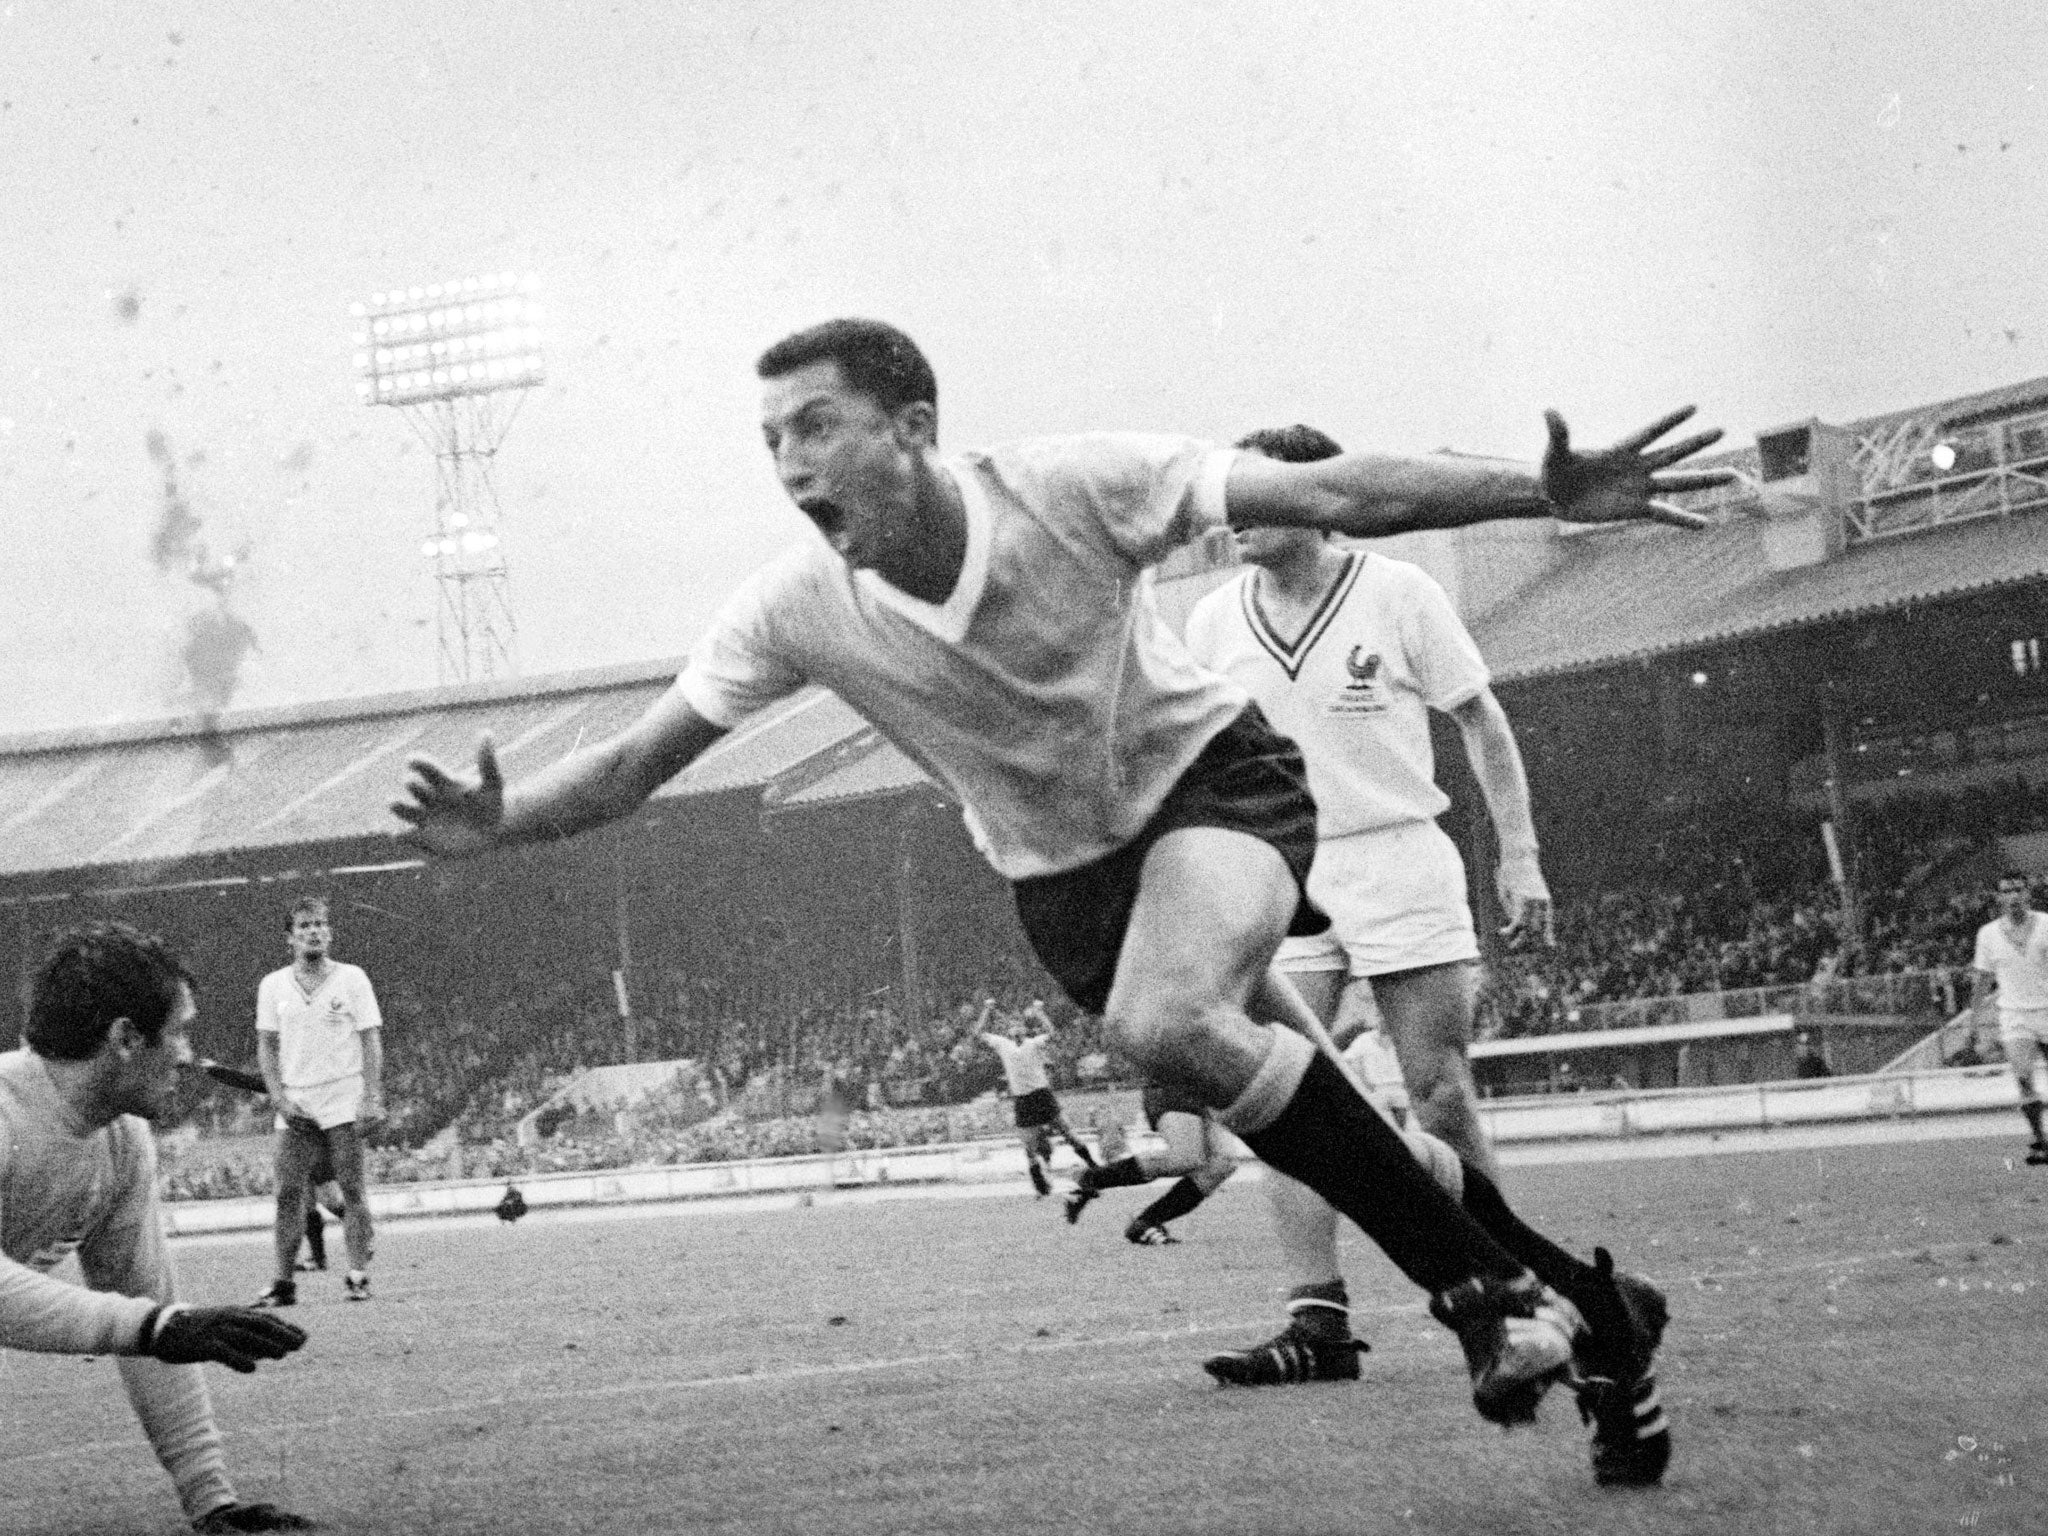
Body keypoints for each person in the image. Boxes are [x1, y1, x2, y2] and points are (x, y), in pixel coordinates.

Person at [393, 318, 1718, 1472]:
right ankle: (1599, 1312)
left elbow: (1335, 488)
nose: (791, 462)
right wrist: (499, 822)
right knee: (1346, 1126)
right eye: (770, 442)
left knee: (1168, 1021)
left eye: (817, 425)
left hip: (1215, 791)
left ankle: (1482, 1299)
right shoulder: (793, 607)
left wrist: (1535, 491)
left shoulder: (1076, 486)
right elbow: (634, 764)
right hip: (1064, 886)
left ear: (913, 427)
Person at [1183, 423, 1555, 1389]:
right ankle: (1319, 1324)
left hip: (1399, 856)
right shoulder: (1214, 621)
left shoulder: (1398, 592)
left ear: (1314, 499)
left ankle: (1510, 1290)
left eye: (1261, 496)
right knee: (1288, 1097)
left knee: (1437, 1089)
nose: (1236, 517)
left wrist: (1520, 854)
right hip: (1284, 872)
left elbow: (1482, 718)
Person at [2, 923, 310, 1533]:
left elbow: (151, 1315)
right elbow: (152, 1325)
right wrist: (154, 1325)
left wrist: (213, 1501)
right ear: (124, 1038)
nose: (189, 1055)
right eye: (179, 1032)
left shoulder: (123, 1138)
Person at [252, 897, 384, 1306]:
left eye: (321, 924)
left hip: (342, 1096)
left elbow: (370, 1038)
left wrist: (371, 1095)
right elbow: (267, 1046)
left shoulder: (352, 978)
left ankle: (357, 1274)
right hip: (297, 1101)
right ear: (289, 937)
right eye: (305, 925)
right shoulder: (272, 985)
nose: (314, 931)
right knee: (287, 1193)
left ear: (329, 932)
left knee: (351, 1188)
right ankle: (283, 1283)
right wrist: (279, 1100)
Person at [200, 1059, 347, 1270]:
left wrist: (217, 1070)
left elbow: (253, 1081)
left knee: (330, 1200)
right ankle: (318, 1258)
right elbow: (252, 1082)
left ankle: (362, 1227)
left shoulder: (310, 1075)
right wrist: (217, 1071)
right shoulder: (287, 1077)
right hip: (296, 1141)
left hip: (317, 1140)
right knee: (306, 1202)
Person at [1063, 1085, 1240, 1244]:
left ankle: (1145, 1222)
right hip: (1175, 1082)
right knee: (1184, 1158)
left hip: (1208, 1089)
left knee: (1223, 1163)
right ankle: (1088, 1179)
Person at [978, 999, 1096, 1195]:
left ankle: (1093, 1165)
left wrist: (1040, 1013)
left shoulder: (1034, 1043)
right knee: (1029, 1149)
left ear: (1025, 1030)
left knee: (1067, 1133)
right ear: (1008, 1031)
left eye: (1019, 1026)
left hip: (1042, 1095)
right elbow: (978, 1034)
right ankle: (1041, 1185)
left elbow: (1052, 1033)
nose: (1016, 1029)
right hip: (1023, 1100)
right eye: (1012, 1026)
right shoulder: (1002, 1044)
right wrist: (986, 1010)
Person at [1970, 871, 2048, 1164]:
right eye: (2006, 891)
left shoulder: (2046, 924)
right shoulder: (1988, 934)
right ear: (1999, 897)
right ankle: (2041, 1140)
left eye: (2018, 889)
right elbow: (1983, 980)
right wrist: (1974, 1020)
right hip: (2014, 1015)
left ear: (2028, 893)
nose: (2013, 896)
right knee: (2024, 1079)